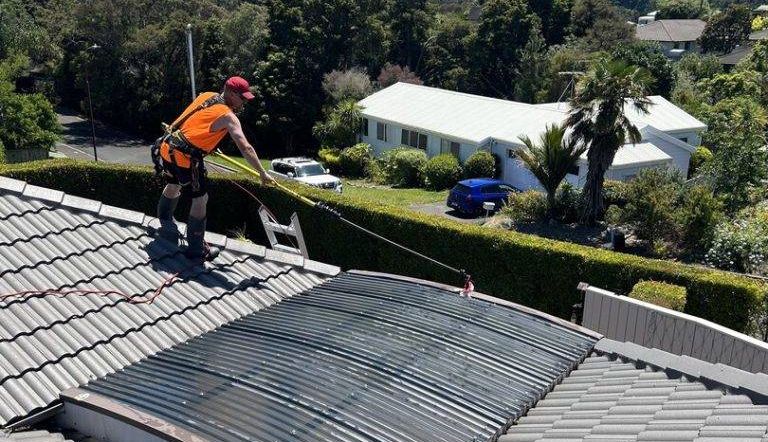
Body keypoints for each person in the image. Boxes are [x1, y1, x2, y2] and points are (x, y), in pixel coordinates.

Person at [155, 76, 275, 260]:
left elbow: (196, 122)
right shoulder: (228, 117)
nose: (244, 103)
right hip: (185, 158)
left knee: (174, 183)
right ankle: (196, 249)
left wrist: (208, 144)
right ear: (231, 93)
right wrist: (262, 172)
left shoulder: (207, 96)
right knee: (201, 199)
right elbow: (245, 147)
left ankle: (164, 223)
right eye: (242, 98)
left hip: (167, 147)